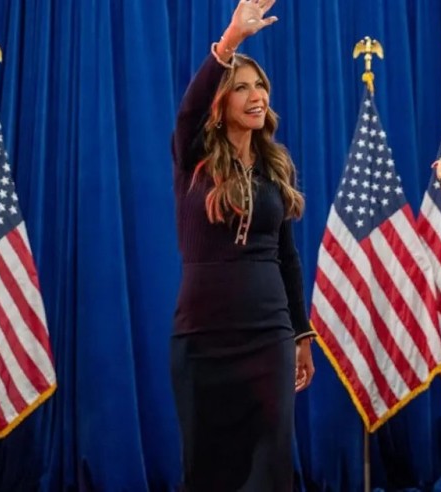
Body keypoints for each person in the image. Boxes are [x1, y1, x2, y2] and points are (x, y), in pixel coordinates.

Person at [169, 1, 315, 489]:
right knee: (208, 470)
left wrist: (301, 334)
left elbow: (288, 258)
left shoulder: (275, 168)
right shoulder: (192, 157)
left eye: (260, 86)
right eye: (242, 87)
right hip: (203, 337)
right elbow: (189, 109)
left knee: (270, 464)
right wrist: (230, 41)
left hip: (268, 336)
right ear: (221, 102)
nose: (256, 96)